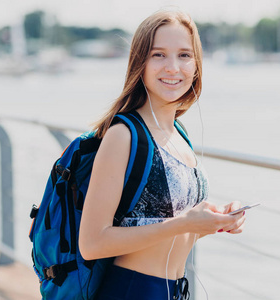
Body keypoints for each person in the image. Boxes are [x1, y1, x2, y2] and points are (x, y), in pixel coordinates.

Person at [79, 9, 247, 300]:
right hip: (132, 290)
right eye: (158, 55)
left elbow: (167, 228)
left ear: (196, 65)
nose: (173, 67)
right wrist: (185, 223)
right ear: (139, 63)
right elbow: (92, 243)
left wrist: (214, 221)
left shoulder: (178, 134)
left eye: (184, 55)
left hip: (174, 290)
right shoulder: (124, 134)